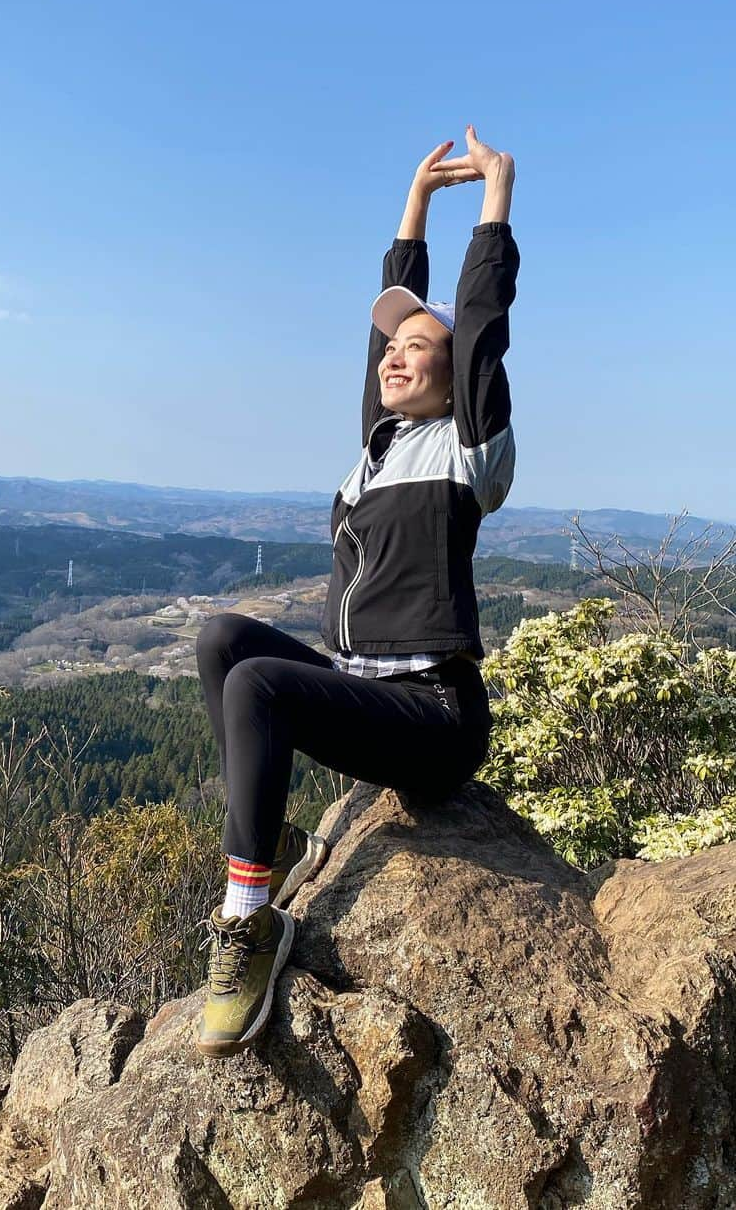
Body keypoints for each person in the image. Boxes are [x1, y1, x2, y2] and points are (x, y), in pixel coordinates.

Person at [194, 126, 519, 1058]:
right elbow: (383, 326)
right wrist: (414, 206)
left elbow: (483, 319)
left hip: (434, 714)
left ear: (458, 381)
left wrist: (494, 199)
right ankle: (276, 844)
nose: (394, 356)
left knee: (258, 686)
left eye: (420, 348)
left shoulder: (470, 449)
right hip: (364, 684)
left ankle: (248, 924)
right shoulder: (376, 448)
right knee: (224, 640)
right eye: (391, 349)